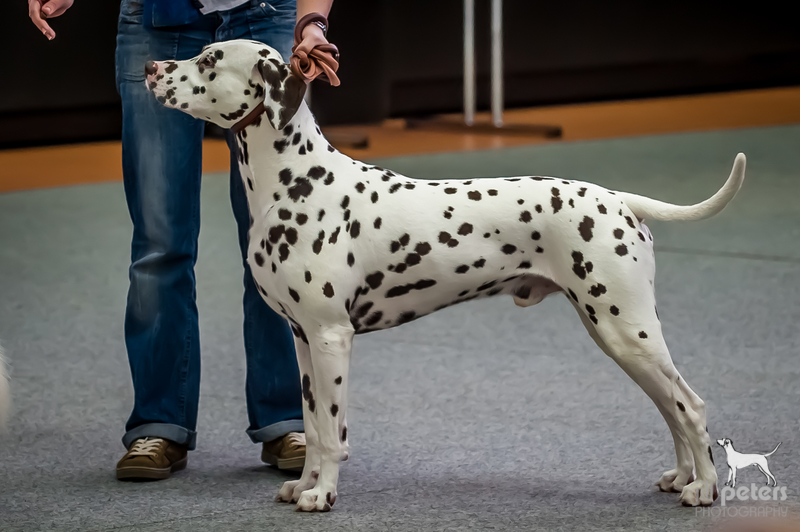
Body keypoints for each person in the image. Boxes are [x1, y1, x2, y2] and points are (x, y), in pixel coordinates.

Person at [28, 0, 334, 480]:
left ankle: (286, 420)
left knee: (279, 243)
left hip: (265, 17)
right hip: (156, 19)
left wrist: (311, 21)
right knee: (159, 242)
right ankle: (159, 423)